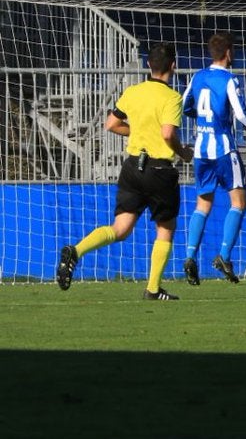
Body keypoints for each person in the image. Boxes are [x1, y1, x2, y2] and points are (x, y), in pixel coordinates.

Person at [56, 43, 195, 300]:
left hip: (132, 167)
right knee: (165, 228)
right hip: (158, 169)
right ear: (173, 66)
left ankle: (76, 250)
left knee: (120, 229)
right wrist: (183, 152)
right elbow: (167, 134)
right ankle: (153, 288)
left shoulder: (133, 91)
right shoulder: (172, 97)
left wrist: (140, 132)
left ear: (148, 66)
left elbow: (111, 124)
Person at [180, 32, 246, 285]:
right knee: (239, 202)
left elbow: (184, 105)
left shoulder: (197, 76)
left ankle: (190, 256)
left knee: (203, 205)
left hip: (201, 150)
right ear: (228, 53)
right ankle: (223, 255)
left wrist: (200, 118)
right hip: (224, 148)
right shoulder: (229, 80)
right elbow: (242, 114)